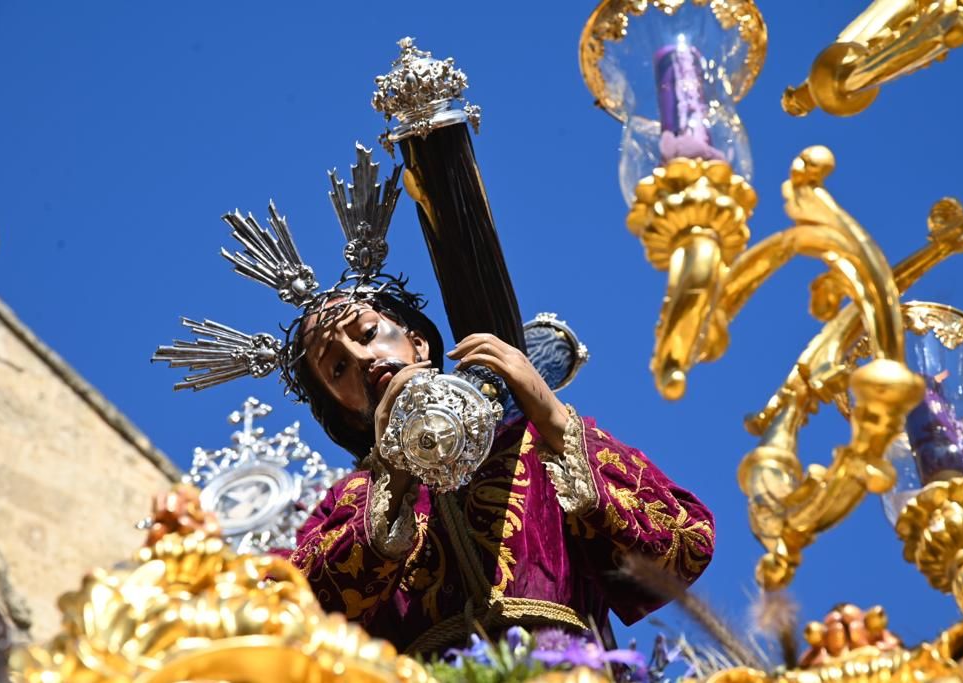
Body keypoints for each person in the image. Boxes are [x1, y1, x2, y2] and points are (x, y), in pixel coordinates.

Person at [154, 144, 714, 655]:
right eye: (337, 367)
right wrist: (393, 475)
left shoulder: (534, 446)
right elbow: (297, 617)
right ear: (339, 406)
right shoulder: (348, 505)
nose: (363, 358)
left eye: (368, 333)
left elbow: (682, 543)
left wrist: (549, 412)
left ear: (417, 342)